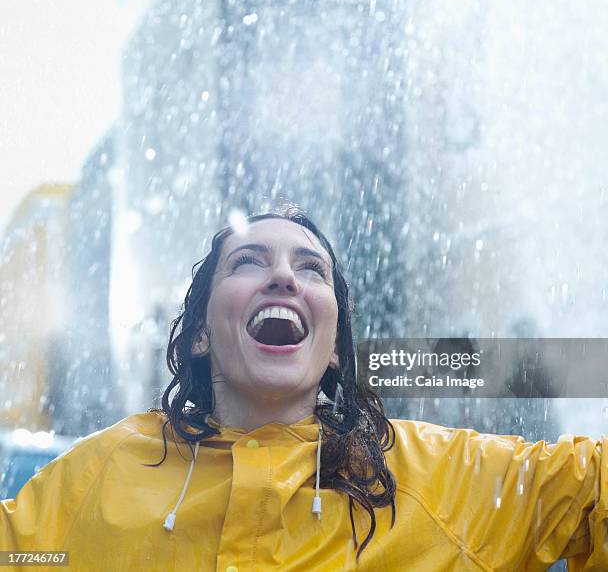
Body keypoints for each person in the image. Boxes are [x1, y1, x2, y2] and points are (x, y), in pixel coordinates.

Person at [1, 207, 607, 571]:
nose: (284, 277)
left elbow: (592, 494)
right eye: (248, 262)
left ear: (338, 351)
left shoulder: (436, 479)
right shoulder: (99, 476)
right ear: (199, 338)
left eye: (311, 269)